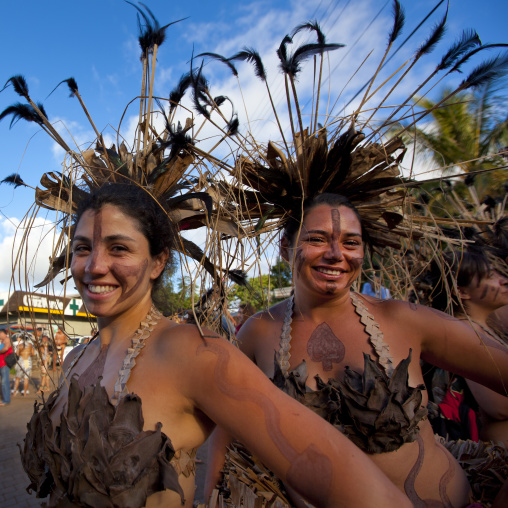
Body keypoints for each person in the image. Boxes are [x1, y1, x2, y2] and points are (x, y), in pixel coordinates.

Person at [20, 183, 412, 508]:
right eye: (83, 247)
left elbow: (337, 471)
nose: (94, 266)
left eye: (119, 248)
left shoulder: (193, 352)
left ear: (158, 262)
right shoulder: (74, 359)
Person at [205, 193, 508, 507]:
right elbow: (225, 427)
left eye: (351, 242)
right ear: (285, 247)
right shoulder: (259, 331)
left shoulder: (405, 320)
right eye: (318, 239)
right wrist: (213, 496)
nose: (336, 254)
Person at [436, 250, 508, 447]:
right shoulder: (464, 333)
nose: (503, 281)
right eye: (490, 276)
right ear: (462, 292)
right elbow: (499, 406)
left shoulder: (486, 330)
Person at [0, 328, 13, 406]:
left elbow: (6, 348)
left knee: (5, 382)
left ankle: (6, 400)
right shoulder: (3, 341)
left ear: (3, 333)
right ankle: (5, 399)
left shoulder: (7, 339)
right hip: (1, 364)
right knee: (3, 382)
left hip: (4, 364)